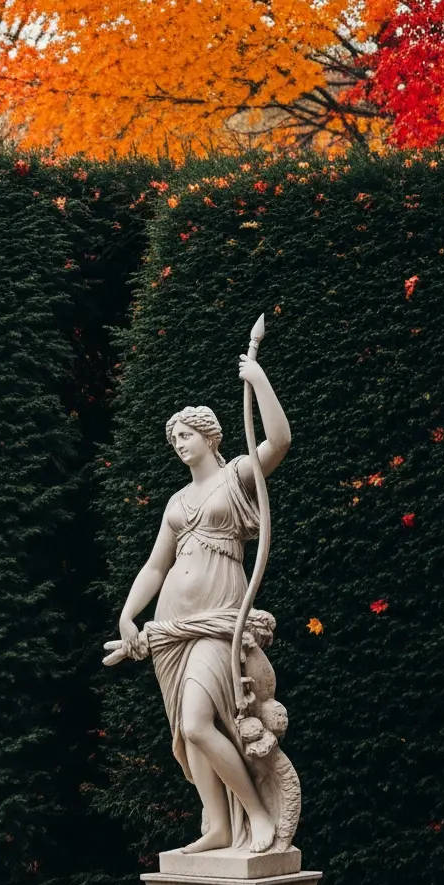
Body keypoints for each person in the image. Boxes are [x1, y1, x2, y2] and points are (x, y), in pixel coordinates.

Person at [103, 348, 290, 853]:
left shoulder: (236, 479)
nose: (178, 444)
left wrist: (259, 376)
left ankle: (256, 815)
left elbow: (279, 441)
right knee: (187, 738)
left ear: (210, 436)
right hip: (171, 629)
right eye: (174, 439)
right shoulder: (175, 503)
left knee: (197, 722)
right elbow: (155, 567)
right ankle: (218, 827)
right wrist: (127, 613)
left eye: (185, 435)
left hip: (217, 622)